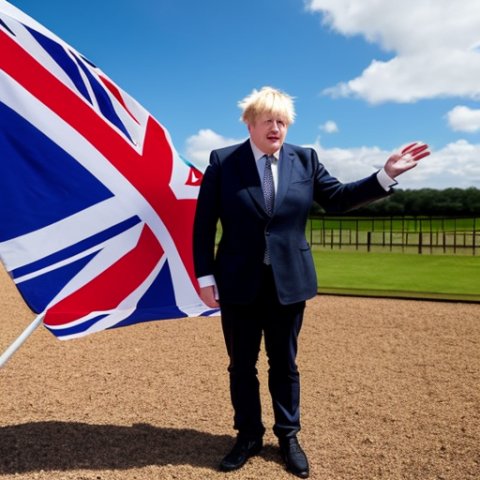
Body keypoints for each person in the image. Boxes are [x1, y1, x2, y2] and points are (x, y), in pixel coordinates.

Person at [192, 86, 430, 478]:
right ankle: (248, 435)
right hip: (238, 282)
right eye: (268, 120)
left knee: (284, 363)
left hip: (289, 282)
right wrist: (205, 276)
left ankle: (288, 437)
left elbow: (337, 198)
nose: (276, 127)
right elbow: (203, 225)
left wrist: (384, 176)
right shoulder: (223, 162)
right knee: (241, 365)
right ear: (250, 124)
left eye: (282, 121)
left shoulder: (305, 159)